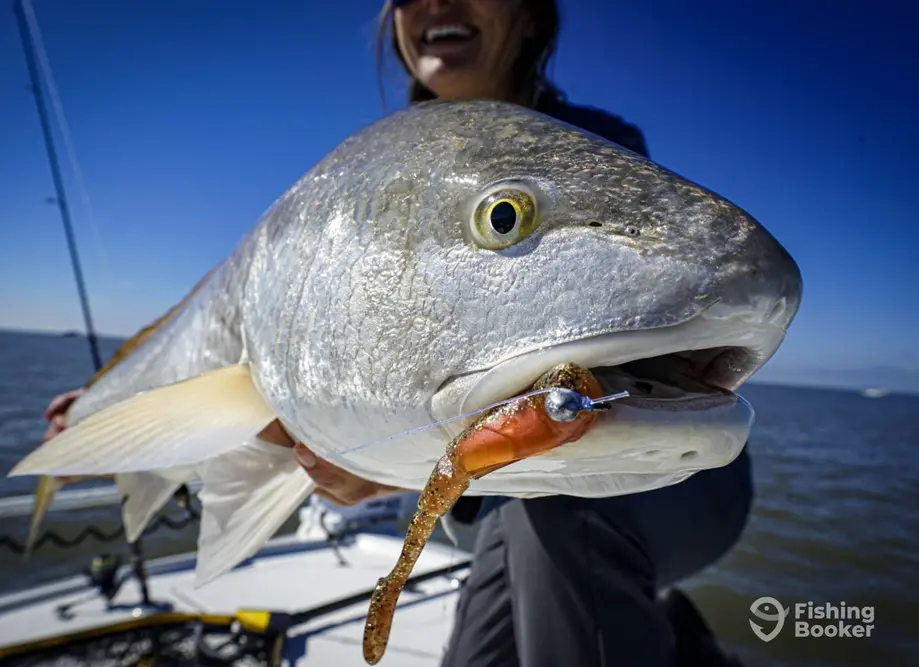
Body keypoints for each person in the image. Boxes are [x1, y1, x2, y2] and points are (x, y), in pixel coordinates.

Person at [42, 1, 750, 665]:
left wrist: (380, 468)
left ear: (531, 15)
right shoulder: (361, 179)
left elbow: (601, 380)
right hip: (511, 512)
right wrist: (97, 420)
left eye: (505, 217)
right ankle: (676, 636)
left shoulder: (598, 150)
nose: (435, 2)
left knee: (559, 525)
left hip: (666, 494)